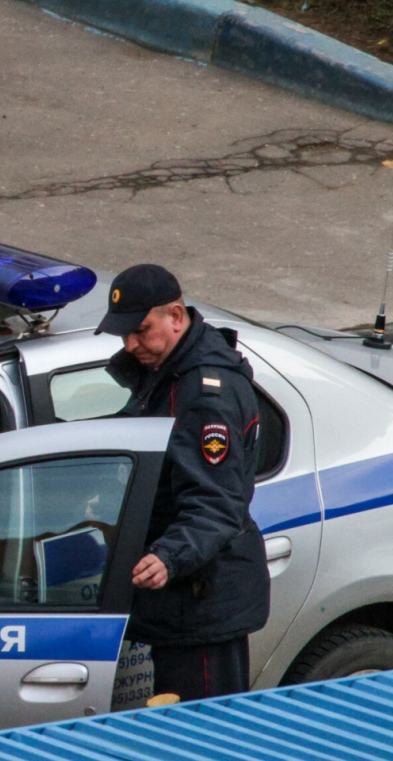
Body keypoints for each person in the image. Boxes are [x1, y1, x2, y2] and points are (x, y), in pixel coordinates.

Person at [96, 264, 269, 702]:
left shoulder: (205, 399)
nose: (130, 344)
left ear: (176, 316)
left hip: (201, 604)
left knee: (201, 732)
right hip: (182, 602)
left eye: (140, 330)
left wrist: (168, 556)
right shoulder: (167, 371)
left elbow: (216, 504)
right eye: (124, 334)